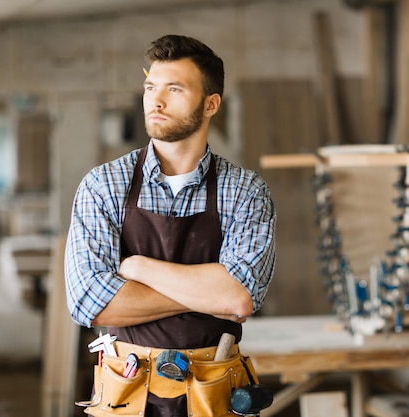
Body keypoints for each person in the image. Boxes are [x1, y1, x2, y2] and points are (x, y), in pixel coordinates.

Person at [65, 34, 277, 417]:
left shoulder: (244, 191)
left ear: (211, 104)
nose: (156, 101)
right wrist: (210, 293)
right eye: (150, 87)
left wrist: (138, 268)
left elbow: (239, 297)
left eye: (174, 89)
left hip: (212, 394)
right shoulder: (104, 185)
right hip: (126, 392)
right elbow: (89, 303)